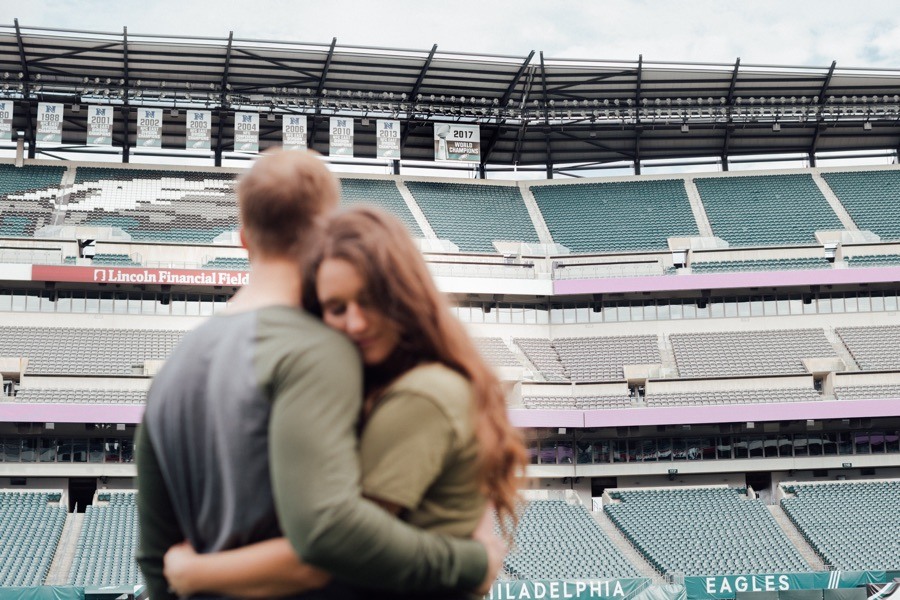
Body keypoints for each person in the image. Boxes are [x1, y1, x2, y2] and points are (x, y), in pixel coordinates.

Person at [136, 150, 507, 600]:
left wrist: (191, 575)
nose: (354, 321)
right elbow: (326, 539)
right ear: (324, 231)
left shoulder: (171, 372)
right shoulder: (322, 350)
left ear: (244, 239)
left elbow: (156, 562)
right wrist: (474, 562)